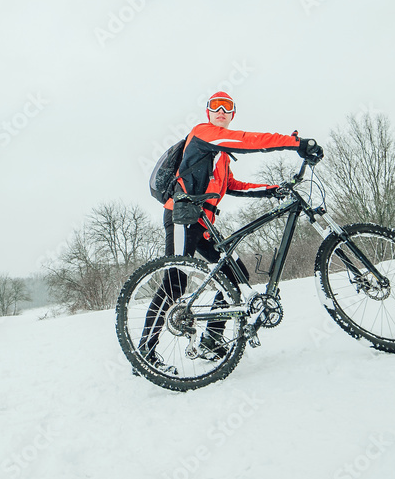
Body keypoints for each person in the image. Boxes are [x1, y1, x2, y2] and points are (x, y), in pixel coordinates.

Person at [138, 91, 322, 373]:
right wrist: (295, 142)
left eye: (228, 107)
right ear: (208, 113)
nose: (221, 110)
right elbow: (248, 141)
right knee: (175, 284)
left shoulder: (220, 156)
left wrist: (271, 190)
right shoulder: (203, 134)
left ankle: (212, 338)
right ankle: (144, 356)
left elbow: (233, 185)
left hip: (203, 226)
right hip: (181, 218)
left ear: (232, 113)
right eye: (215, 106)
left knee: (235, 276)